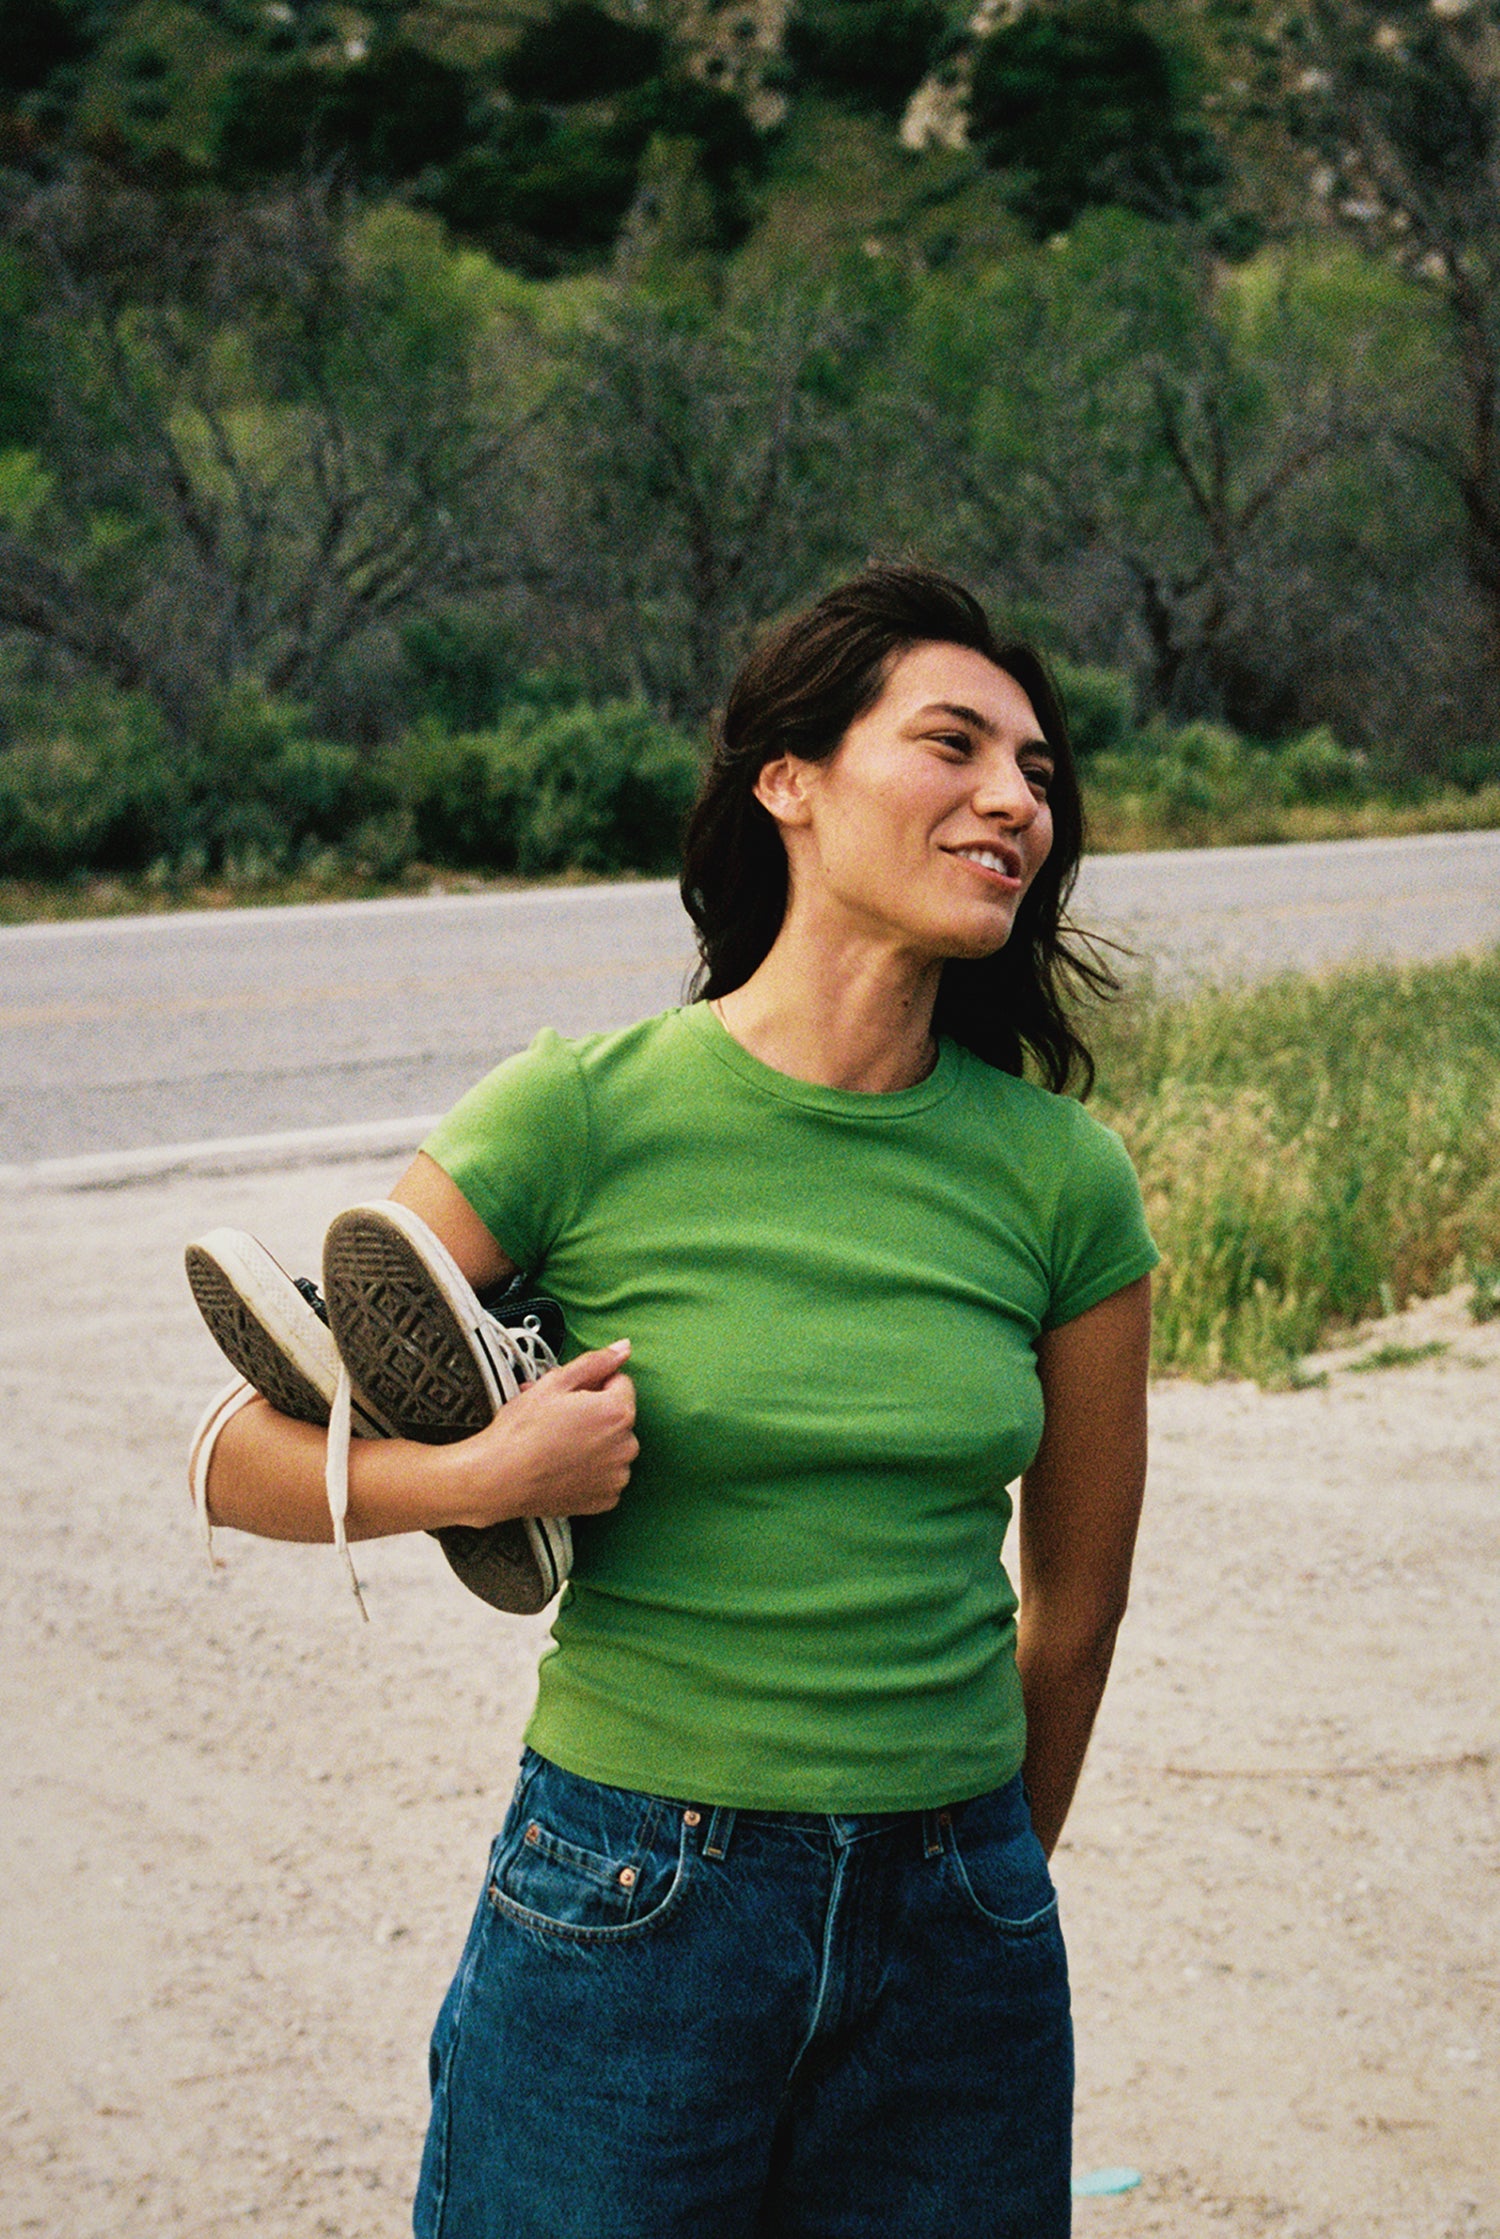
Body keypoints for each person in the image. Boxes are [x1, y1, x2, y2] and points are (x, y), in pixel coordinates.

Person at [201, 563, 1158, 2238]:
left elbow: (1073, 1612)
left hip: (960, 1925)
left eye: (1038, 772)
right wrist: (484, 1477)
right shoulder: (582, 1111)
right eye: (953, 746)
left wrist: (986, 1884)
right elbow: (235, 1457)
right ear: (790, 779)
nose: (1017, 799)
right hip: (633, 1904)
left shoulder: (1064, 1180)